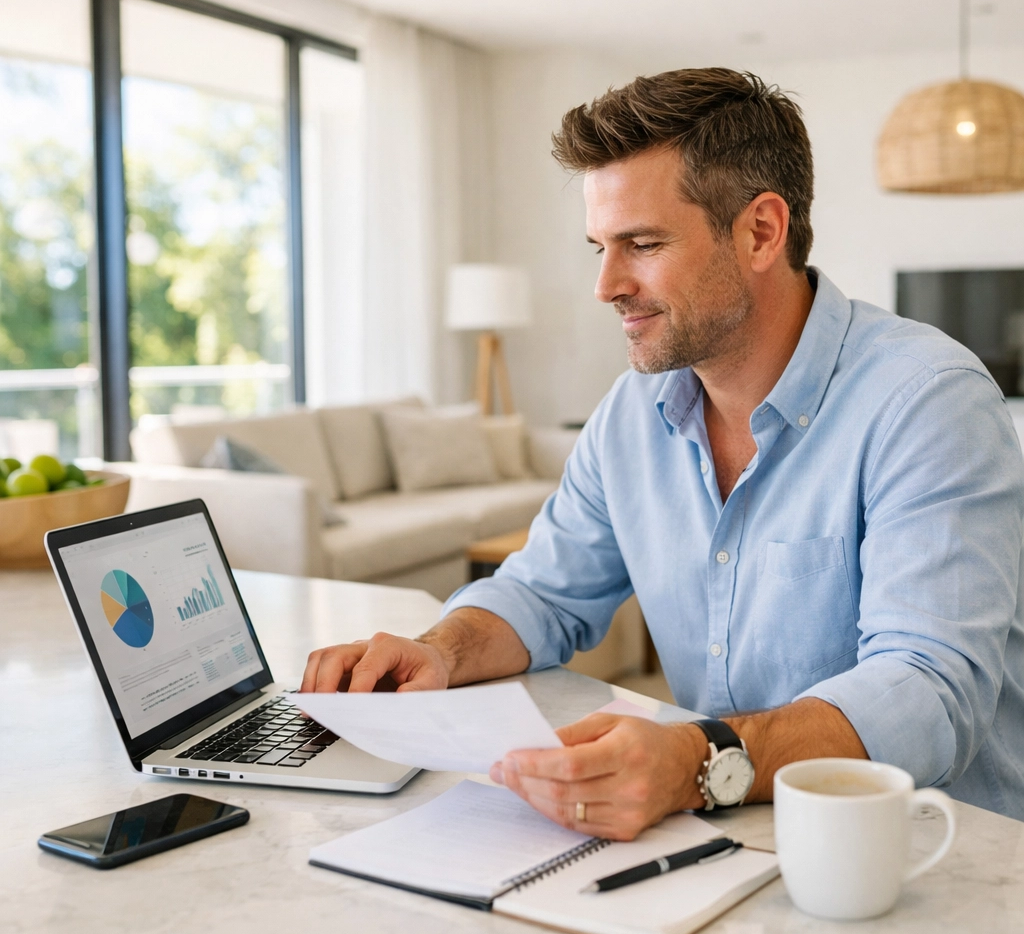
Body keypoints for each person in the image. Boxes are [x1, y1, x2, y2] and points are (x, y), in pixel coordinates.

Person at [301, 68, 1024, 837]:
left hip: (936, 850)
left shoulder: (928, 399)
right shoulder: (631, 415)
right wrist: (439, 651)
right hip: (733, 830)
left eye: (642, 244)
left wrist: (696, 760)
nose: (606, 285)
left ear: (761, 231)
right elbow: (544, 593)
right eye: (599, 247)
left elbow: (929, 692)